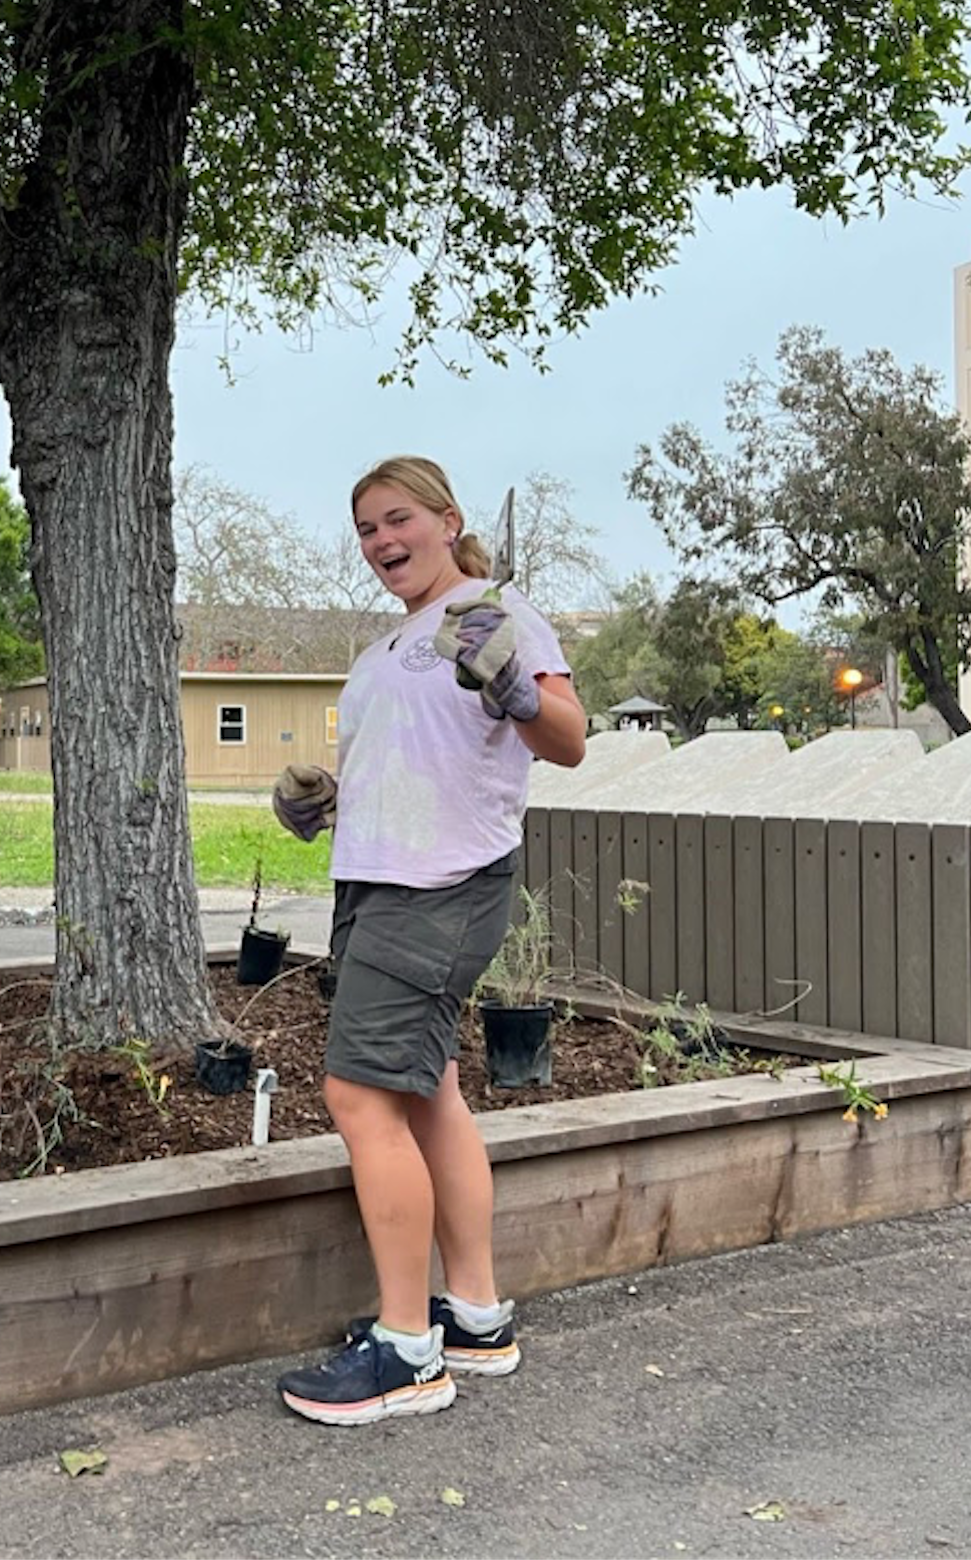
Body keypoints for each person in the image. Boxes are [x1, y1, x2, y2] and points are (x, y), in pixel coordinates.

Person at [268, 454, 585, 1427]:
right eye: (365, 530)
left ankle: (408, 1351)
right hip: (381, 881)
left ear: (447, 521)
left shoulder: (491, 615)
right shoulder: (387, 647)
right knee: (431, 1091)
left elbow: (569, 737)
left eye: (397, 520)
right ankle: (477, 1319)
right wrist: (323, 806)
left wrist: (521, 697)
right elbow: (413, 763)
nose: (381, 543)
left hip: (438, 888)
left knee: (359, 1095)